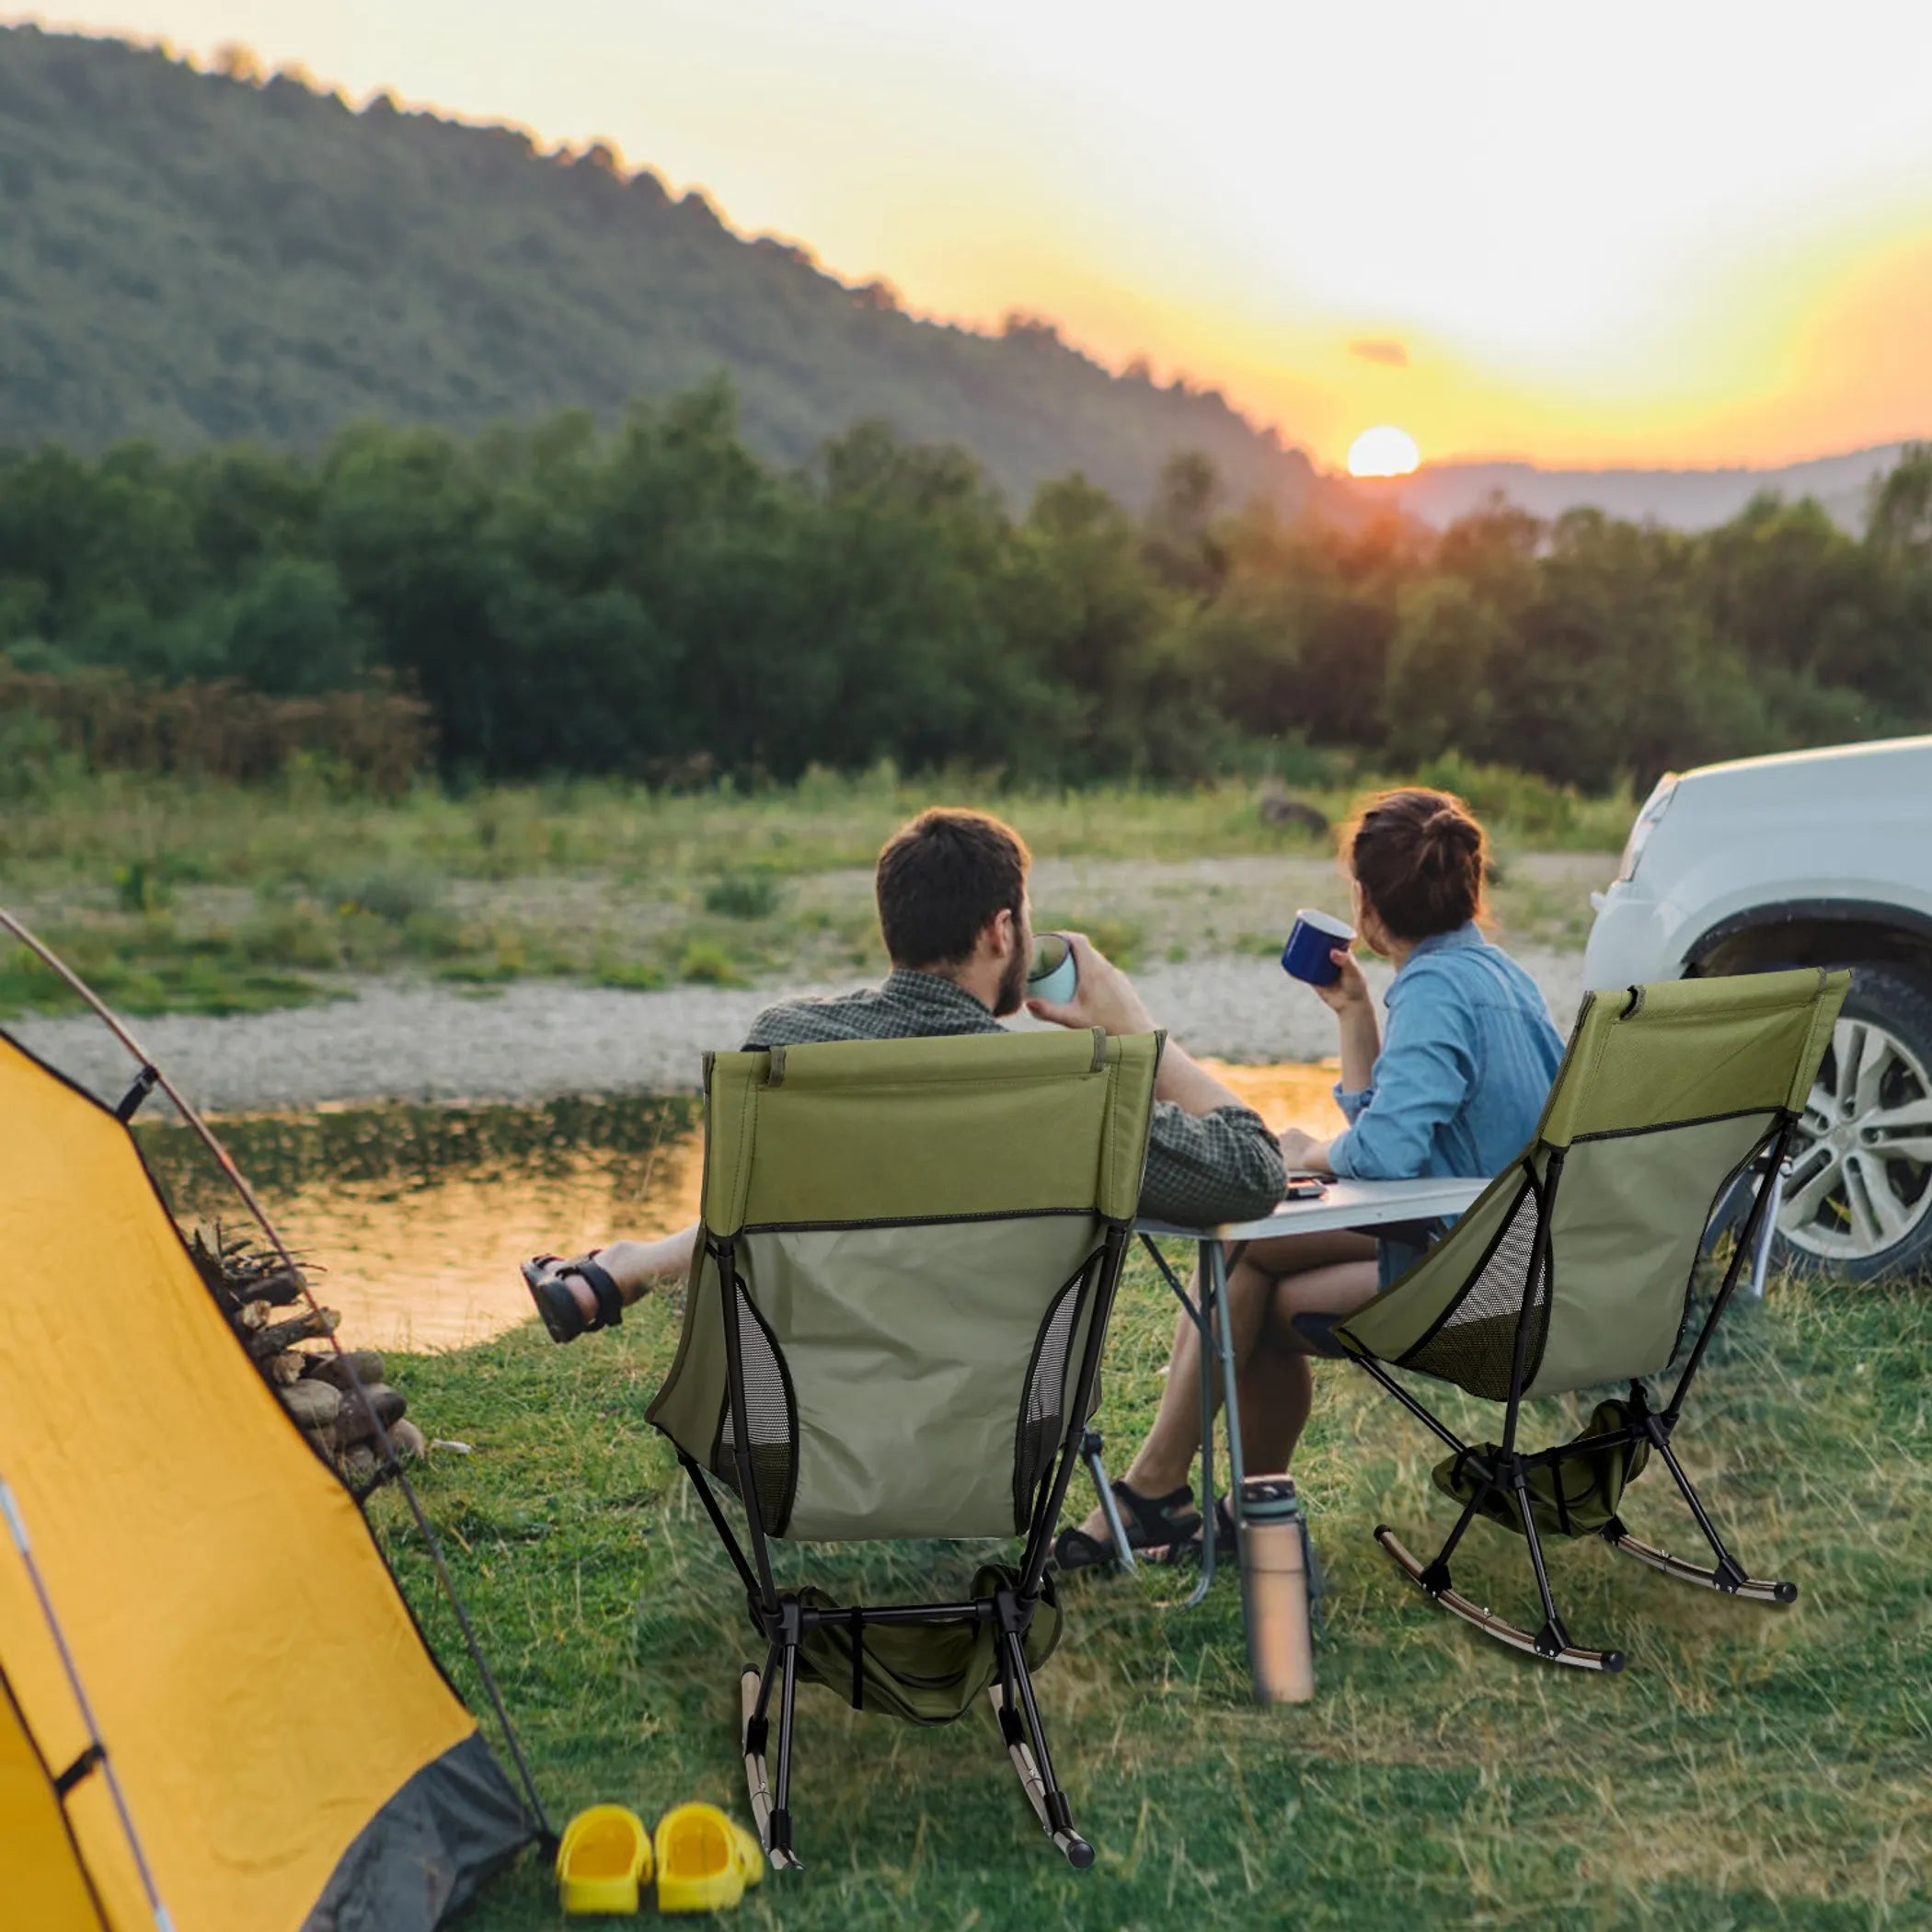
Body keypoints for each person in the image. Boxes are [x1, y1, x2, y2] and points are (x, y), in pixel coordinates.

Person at [526, 811, 1286, 1456]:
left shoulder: (786, 1045)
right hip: (995, 1436)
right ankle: (625, 1267)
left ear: (895, 924)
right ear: (1000, 931)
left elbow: (750, 1220)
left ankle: (625, 1266)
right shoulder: (1059, 1088)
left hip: (796, 1429)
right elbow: (1255, 1169)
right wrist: (1140, 1032)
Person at [1054, 787, 1566, 1571]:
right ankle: (1243, 1512)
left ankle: (1158, 1490)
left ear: (1362, 902)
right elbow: (1399, 1129)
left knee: (1246, 1251)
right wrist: (1355, 1018)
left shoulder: (1434, 991)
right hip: (1511, 1255)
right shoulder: (1499, 978)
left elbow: (1385, 1155)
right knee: (1259, 1292)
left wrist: (1305, 1153)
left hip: (1470, 1274)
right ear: (1470, 887)